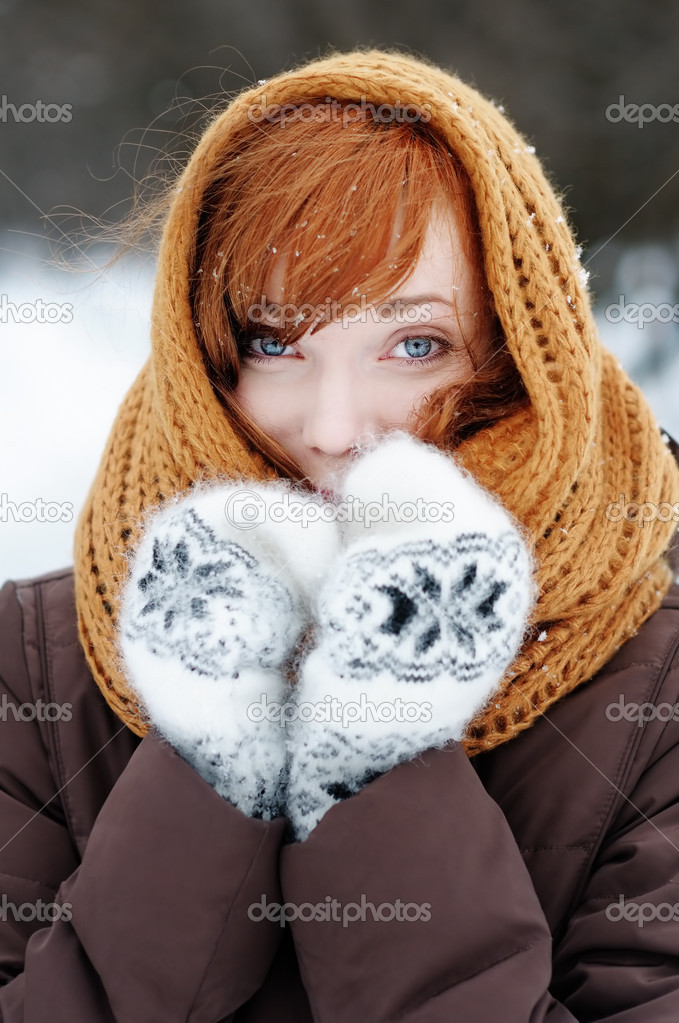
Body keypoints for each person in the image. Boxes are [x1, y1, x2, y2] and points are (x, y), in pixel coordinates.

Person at [1, 46, 679, 1021]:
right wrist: (210, 747)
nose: (332, 428)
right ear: (207, 354)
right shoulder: (30, 659)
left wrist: (380, 740)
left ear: (522, 354)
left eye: (414, 345)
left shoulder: (653, 688)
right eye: (274, 343)